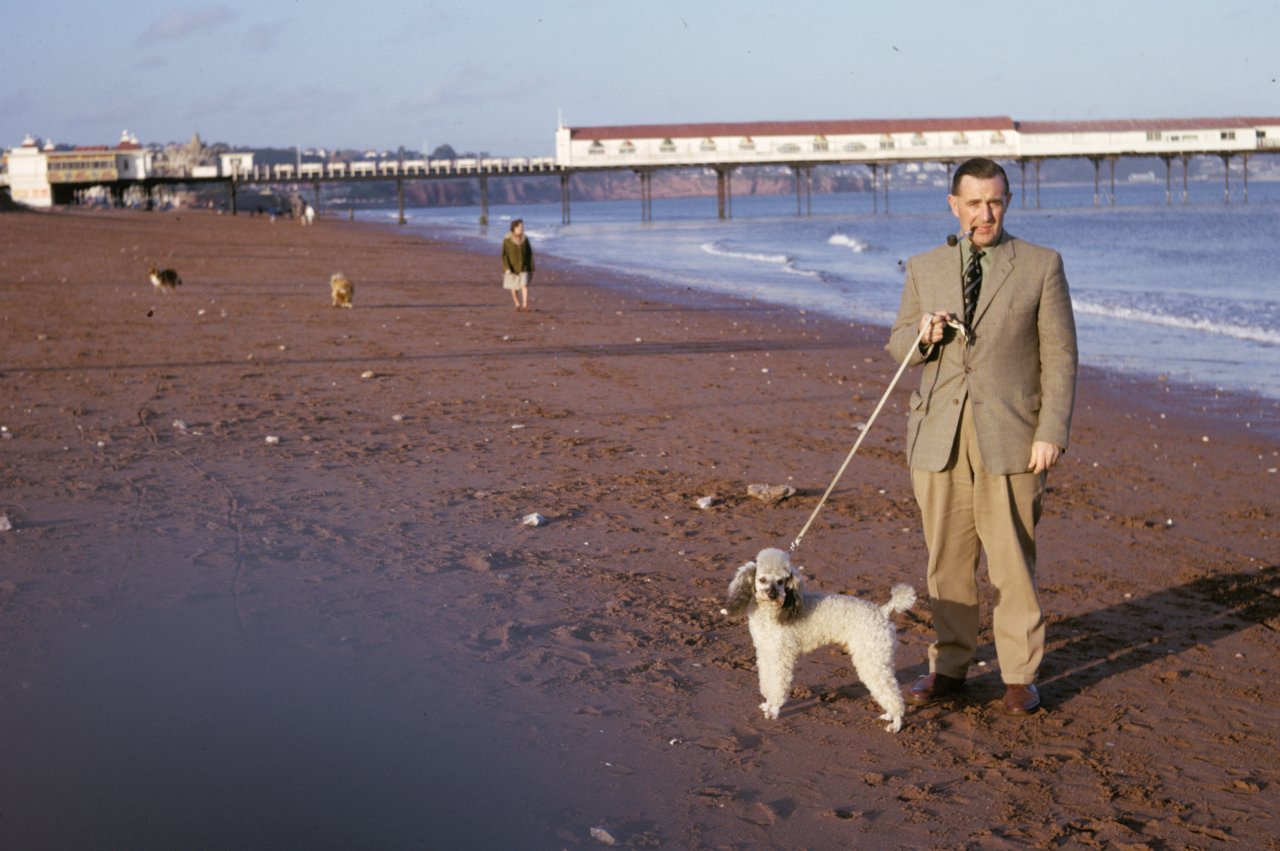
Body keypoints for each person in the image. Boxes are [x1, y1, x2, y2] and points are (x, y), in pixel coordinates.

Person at [886, 157, 1078, 716]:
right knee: (946, 562)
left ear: (1008, 202)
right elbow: (898, 345)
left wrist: (1052, 433)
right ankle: (948, 668)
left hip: (1014, 437)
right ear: (954, 205)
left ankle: (1019, 675)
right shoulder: (924, 267)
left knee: (1012, 562)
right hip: (937, 438)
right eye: (973, 203)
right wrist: (923, 336)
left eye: (994, 201)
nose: (984, 213)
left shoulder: (1042, 265)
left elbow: (1061, 358)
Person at [501, 218, 534, 311]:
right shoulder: (507, 239)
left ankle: (525, 305)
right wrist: (507, 268)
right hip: (512, 267)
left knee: (524, 285)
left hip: (524, 266)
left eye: (522, 227)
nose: (522, 229)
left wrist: (531, 267)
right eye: (520, 227)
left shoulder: (525, 239)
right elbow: (504, 255)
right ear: (514, 228)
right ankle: (517, 303)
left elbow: (529, 253)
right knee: (514, 288)